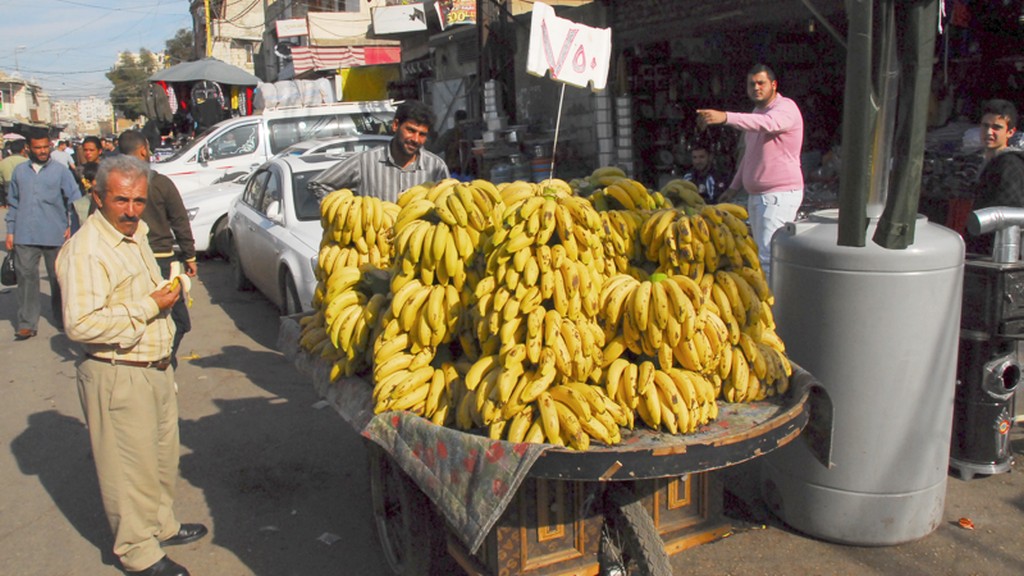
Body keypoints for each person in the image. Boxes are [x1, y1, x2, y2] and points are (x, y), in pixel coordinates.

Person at [56, 155, 206, 576]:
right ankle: (137, 550)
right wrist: (147, 305)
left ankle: (160, 523)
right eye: (121, 200)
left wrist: (166, 288)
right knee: (127, 467)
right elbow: (80, 324)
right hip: (117, 371)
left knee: (159, 457)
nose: (132, 210)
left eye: (139, 200)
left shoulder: (136, 233)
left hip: (154, 366)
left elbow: (135, 289)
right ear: (98, 197)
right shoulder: (86, 251)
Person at [697, 64, 804, 280]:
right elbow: (750, 155)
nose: (756, 87)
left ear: (773, 85)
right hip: (757, 196)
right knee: (760, 254)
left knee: (768, 256)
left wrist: (726, 117)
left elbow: (768, 124)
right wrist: (734, 187)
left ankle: (773, 308)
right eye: (751, 84)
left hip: (778, 195)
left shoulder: (785, 108)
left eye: (761, 83)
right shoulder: (757, 112)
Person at [119, 130, 197, 368]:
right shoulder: (161, 184)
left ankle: (152, 357)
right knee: (179, 321)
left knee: (139, 314)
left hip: (125, 260)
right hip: (161, 261)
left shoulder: (112, 187)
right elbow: (180, 221)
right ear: (144, 150)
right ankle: (162, 358)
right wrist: (190, 256)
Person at [5, 129, 81, 340]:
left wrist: (71, 227)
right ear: (28, 148)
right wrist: (10, 231)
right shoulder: (20, 172)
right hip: (25, 235)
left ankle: (63, 319)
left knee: (59, 280)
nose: (42, 151)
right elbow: (13, 203)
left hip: (55, 234)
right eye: (38, 147)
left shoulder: (61, 171)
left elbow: (74, 201)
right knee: (26, 279)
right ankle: (27, 323)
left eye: (46, 147)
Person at [309, 99, 450, 203]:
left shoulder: (436, 167)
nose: (415, 139)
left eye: (422, 134)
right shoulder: (365, 162)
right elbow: (319, 184)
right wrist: (345, 214)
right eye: (410, 130)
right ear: (395, 125)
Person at [965, 99, 1024, 255]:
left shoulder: (1009, 163)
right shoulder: (987, 161)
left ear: (1010, 132)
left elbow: (1009, 212)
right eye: (985, 126)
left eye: (997, 127)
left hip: (996, 253)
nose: (989, 132)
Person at [0, 138, 29, 207]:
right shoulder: (28, 162)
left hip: (6, 190)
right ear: (23, 150)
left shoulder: (3, 162)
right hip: (24, 192)